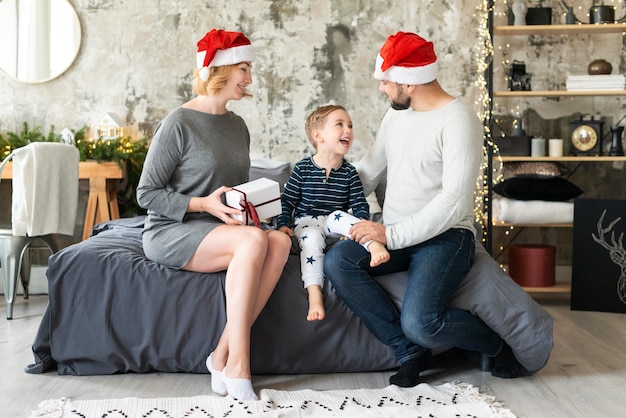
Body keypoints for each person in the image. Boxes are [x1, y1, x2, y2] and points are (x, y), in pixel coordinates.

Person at [323, 31, 526, 387]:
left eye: (386, 82)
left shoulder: (459, 120)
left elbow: (455, 202)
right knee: (338, 261)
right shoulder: (397, 116)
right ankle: (407, 351)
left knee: (423, 323)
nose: (383, 89)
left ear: (409, 81)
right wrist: (323, 200)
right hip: (397, 232)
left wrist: (389, 233)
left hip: (446, 237)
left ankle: (495, 345)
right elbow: (370, 169)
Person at [136, 29, 291, 401]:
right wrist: (203, 204)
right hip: (174, 229)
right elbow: (147, 194)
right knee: (254, 241)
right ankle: (238, 362)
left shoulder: (237, 126)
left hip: (221, 228)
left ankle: (219, 355)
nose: (250, 79)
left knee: (280, 241)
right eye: (243, 68)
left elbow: (233, 192)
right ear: (220, 69)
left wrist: (255, 212)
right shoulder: (178, 124)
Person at [277, 105, 390, 321]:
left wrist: (358, 227)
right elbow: (287, 201)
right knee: (310, 239)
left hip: (333, 222)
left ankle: (373, 245)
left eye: (350, 126)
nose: (348, 130)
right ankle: (314, 294)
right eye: (340, 124)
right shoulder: (302, 169)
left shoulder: (349, 173)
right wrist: (283, 224)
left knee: (341, 216)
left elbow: (359, 205)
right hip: (306, 222)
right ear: (318, 136)